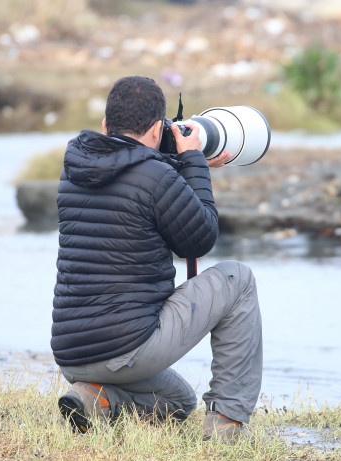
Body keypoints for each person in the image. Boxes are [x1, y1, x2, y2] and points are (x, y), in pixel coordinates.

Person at [51, 76, 263, 441]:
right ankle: (227, 426)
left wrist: (179, 166)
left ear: (105, 125)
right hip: (128, 347)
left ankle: (95, 399)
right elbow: (200, 239)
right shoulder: (156, 178)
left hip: (73, 354)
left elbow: (134, 178)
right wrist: (193, 161)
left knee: (177, 402)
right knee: (238, 278)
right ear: (156, 129)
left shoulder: (74, 169)